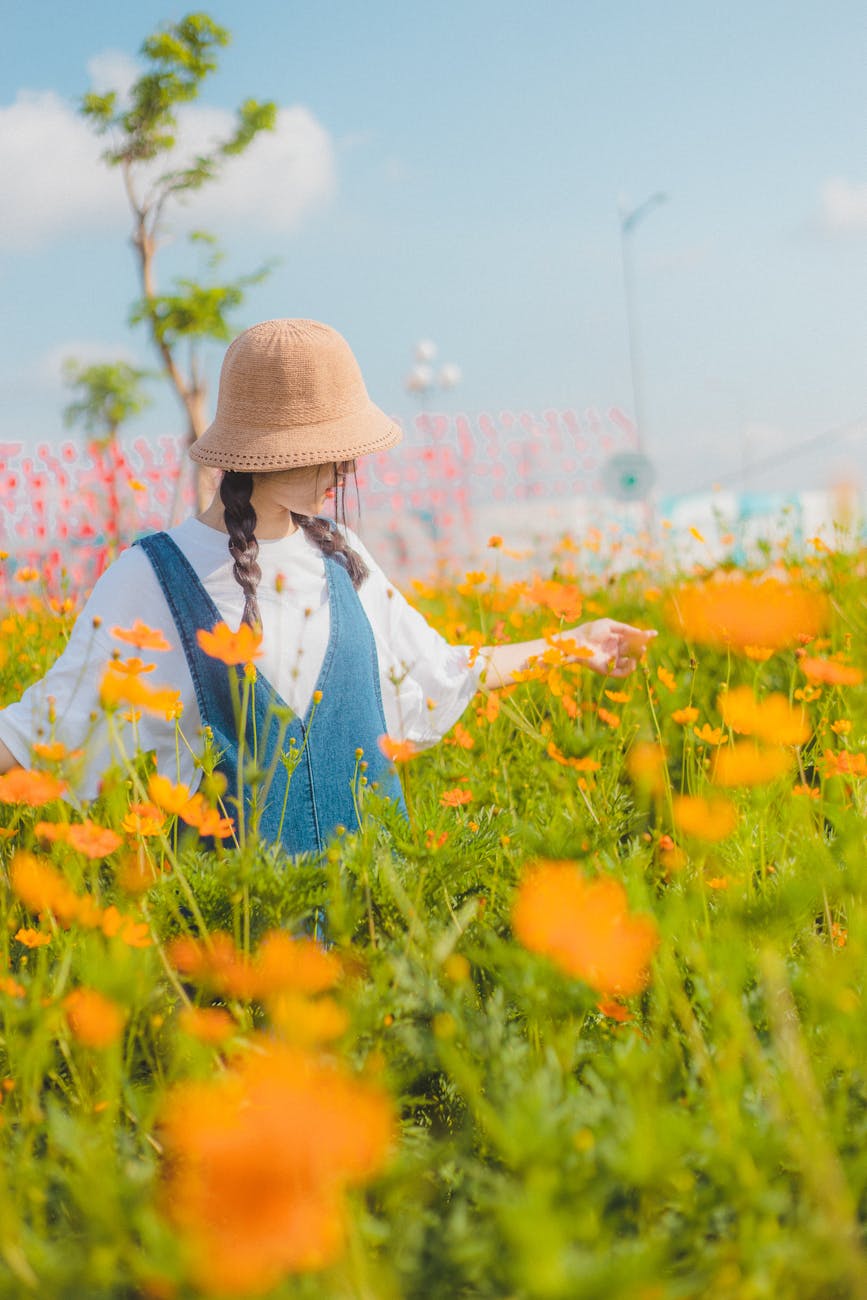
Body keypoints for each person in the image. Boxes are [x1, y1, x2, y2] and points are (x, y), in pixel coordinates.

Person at [0, 319, 655, 853]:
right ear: (264, 452)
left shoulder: (342, 555)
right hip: (236, 943)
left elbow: (438, 670)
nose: (345, 468)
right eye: (326, 449)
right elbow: (40, 729)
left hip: (373, 917)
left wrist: (573, 644)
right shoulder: (152, 575)